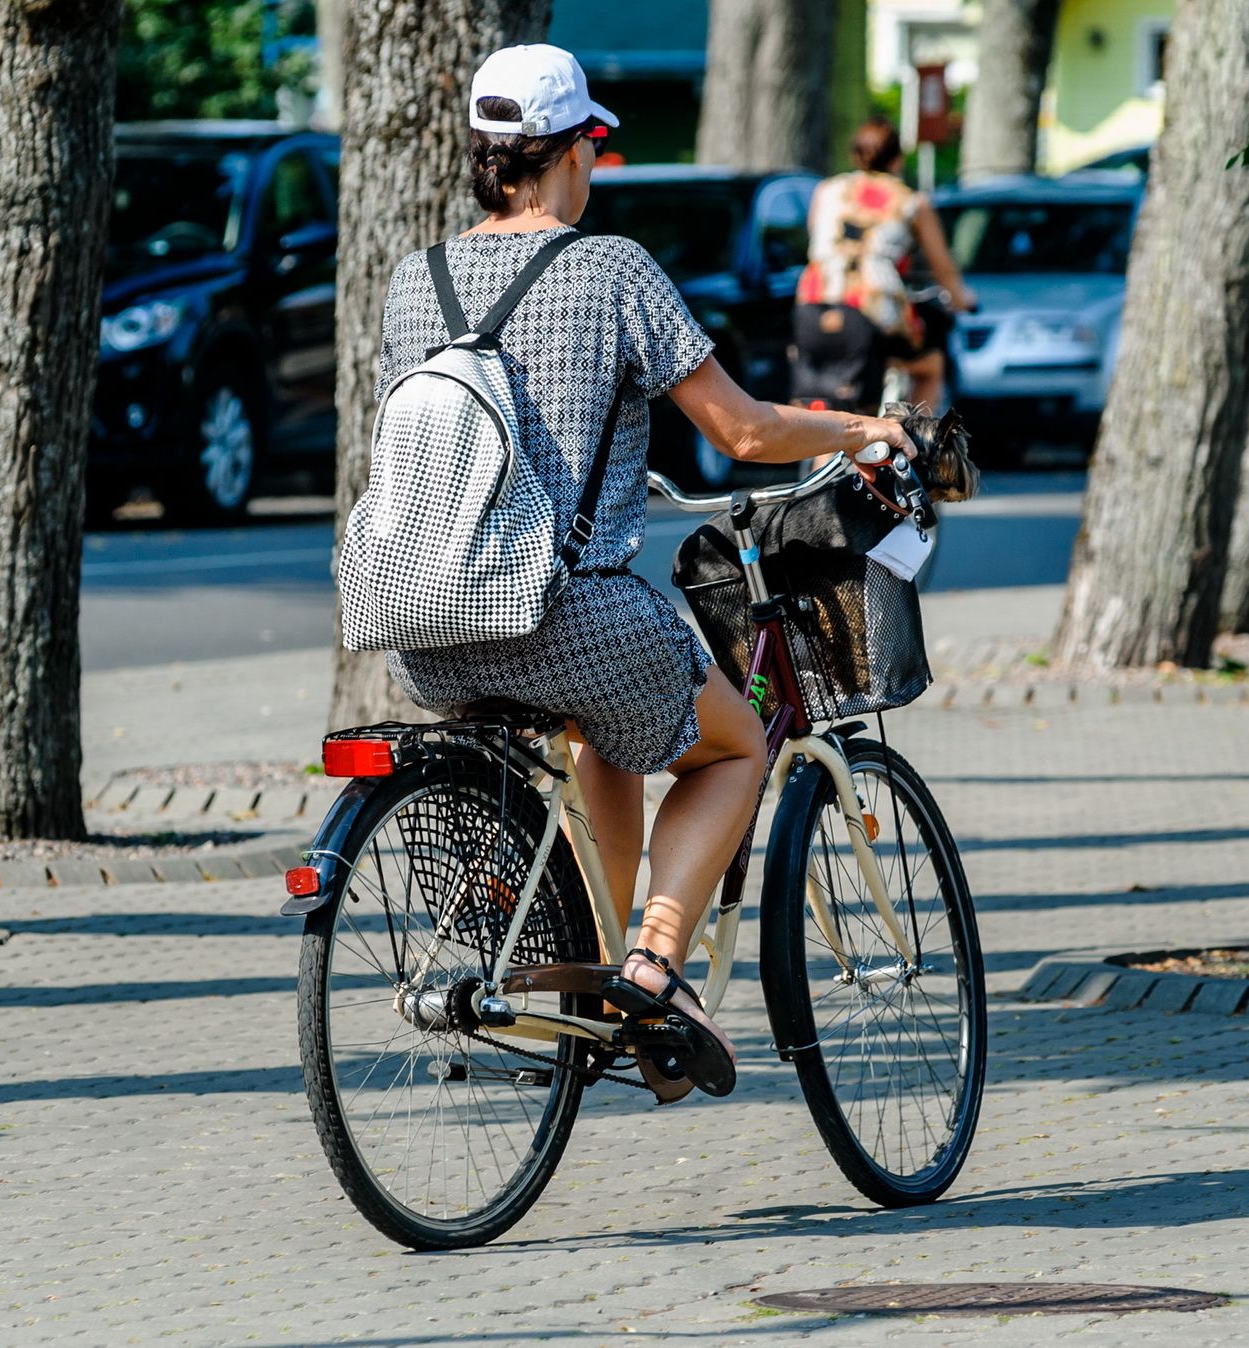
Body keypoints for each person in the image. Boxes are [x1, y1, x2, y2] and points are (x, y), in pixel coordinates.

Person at [373, 45, 915, 1096]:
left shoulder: (413, 279)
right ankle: (655, 966)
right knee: (735, 747)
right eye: (597, 145)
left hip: (424, 625)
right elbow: (745, 431)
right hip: (568, 613)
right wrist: (863, 429)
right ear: (576, 149)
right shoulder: (609, 268)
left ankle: (585, 993)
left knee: (607, 737)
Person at [794, 117, 977, 411]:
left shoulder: (827, 190)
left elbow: (817, 238)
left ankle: (820, 455)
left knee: (824, 418)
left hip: (812, 305)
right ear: (897, 159)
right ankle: (915, 445)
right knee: (930, 365)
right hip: (869, 309)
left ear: (854, 155)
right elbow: (942, 267)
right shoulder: (911, 202)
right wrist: (961, 298)